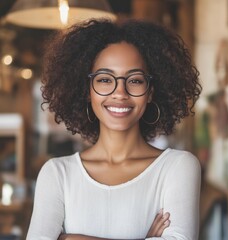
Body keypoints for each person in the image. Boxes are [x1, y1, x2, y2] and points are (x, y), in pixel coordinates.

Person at [27, 18, 202, 240]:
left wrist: (69, 238)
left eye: (135, 80)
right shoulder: (57, 174)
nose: (120, 92)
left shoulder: (177, 167)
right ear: (87, 90)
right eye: (104, 79)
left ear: (150, 92)